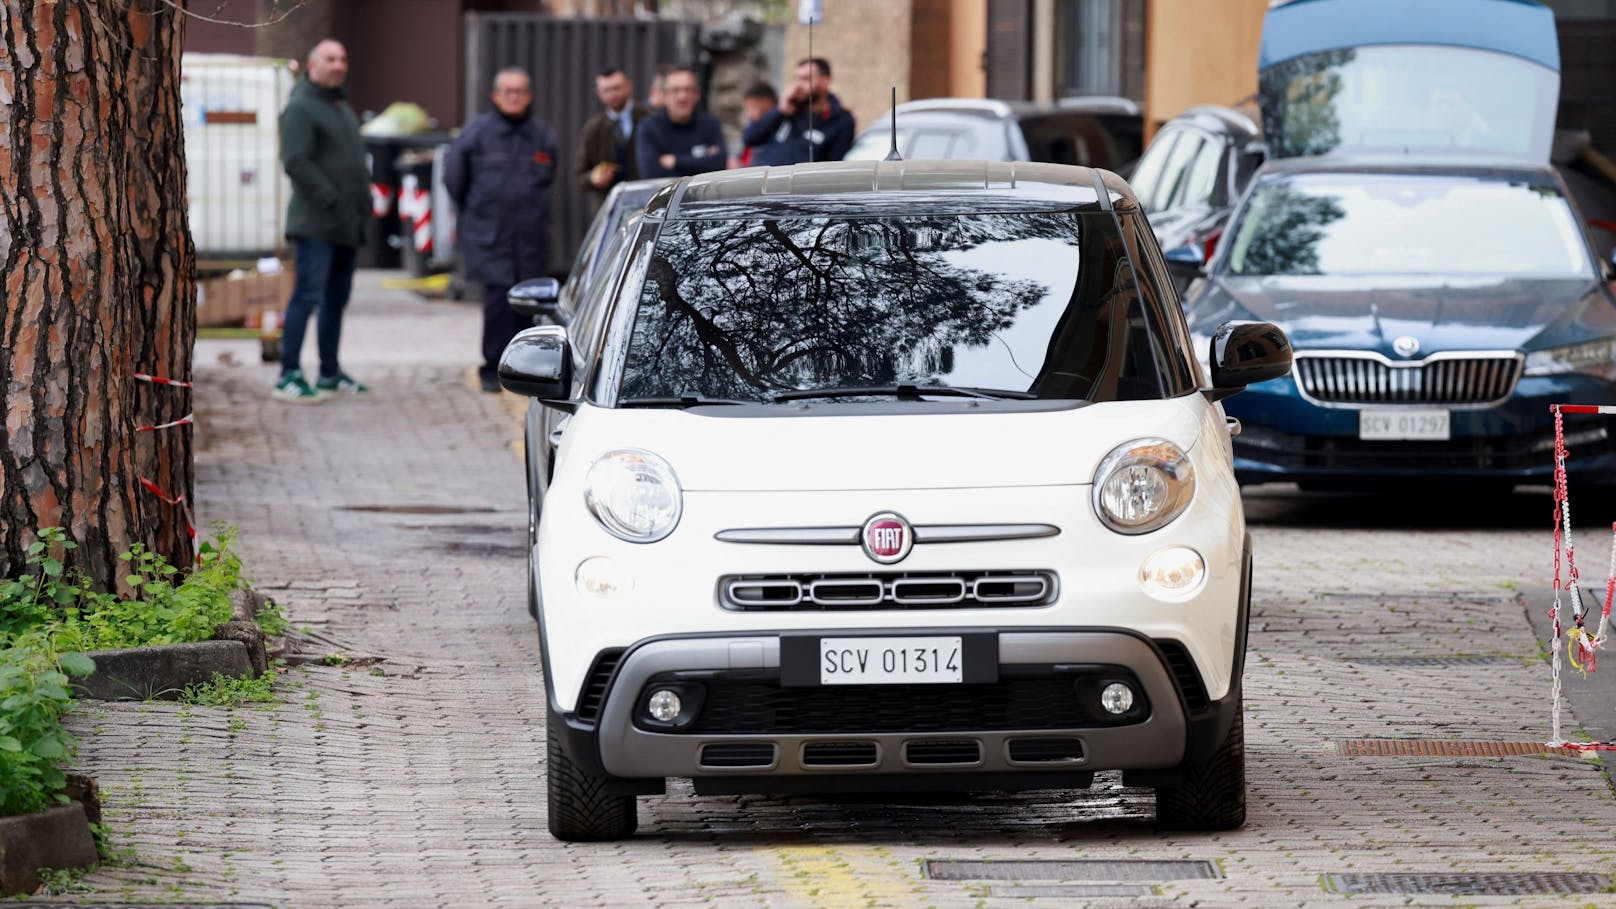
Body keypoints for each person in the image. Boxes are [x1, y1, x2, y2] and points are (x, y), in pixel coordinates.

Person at [443, 67, 559, 393]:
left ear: (529, 96)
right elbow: (454, 179)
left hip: (530, 238)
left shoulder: (541, 136)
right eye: (507, 91)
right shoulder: (477, 134)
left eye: (519, 91)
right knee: (498, 304)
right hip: (490, 235)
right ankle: (492, 369)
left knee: (527, 304)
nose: (513, 96)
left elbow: (550, 175)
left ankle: (525, 370)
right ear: (495, 96)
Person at [274, 39, 371, 402]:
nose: (338, 64)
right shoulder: (301, 107)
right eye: (330, 58)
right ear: (313, 66)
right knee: (307, 296)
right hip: (316, 223)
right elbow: (295, 161)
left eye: (343, 58)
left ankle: (329, 372)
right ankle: (289, 373)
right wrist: (330, 197)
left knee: (336, 299)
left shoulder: (340, 106)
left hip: (346, 223)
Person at [742, 57, 855, 166]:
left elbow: (834, 166)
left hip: (801, 184)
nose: (799, 85)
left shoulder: (840, 121)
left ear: (825, 81)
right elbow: (750, 138)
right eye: (797, 79)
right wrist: (779, 112)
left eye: (806, 79)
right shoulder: (786, 110)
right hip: (767, 181)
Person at [575, 67, 649, 215]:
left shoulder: (648, 119)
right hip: (610, 209)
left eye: (616, 88)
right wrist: (593, 178)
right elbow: (580, 176)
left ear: (629, 87)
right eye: (606, 90)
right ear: (598, 93)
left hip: (648, 203)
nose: (612, 94)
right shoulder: (593, 128)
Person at [635, 65, 726, 179]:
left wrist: (676, 161)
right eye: (675, 90)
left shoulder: (710, 124)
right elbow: (652, 174)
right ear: (664, 96)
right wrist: (702, 162)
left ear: (697, 95)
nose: (682, 96)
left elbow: (719, 164)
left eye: (688, 89)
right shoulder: (649, 127)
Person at [735, 82, 777, 168]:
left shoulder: (778, 128)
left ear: (766, 102)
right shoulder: (755, 131)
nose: (749, 114)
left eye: (752, 106)